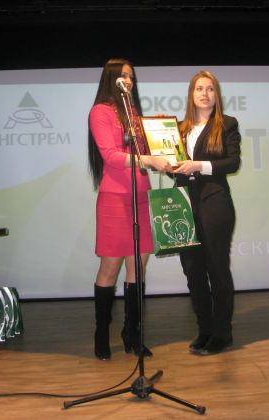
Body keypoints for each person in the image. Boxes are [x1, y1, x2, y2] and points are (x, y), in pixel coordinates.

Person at [88, 58, 172, 360]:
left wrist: (157, 133)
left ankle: (132, 333)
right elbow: (110, 156)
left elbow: (145, 152)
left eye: (132, 77)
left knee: (138, 266)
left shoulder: (133, 113)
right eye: (124, 76)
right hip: (114, 197)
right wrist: (147, 159)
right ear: (111, 78)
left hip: (140, 195)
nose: (129, 81)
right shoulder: (100, 112)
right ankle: (101, 333)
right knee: (110, 268)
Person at [172, 70, 241, 355]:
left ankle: (222, 334)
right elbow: (174, 167)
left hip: (215, 203)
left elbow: (233, 163)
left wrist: (198, 166)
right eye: (199, 88)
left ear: (216, 94)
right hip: (183, 205)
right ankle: (205, 329)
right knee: (193, 272)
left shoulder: (227, 124)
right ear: (191, 94)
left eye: (210, 89)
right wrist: (168, 164)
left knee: (217, 270)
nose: (204, 93)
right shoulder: (179, 128)